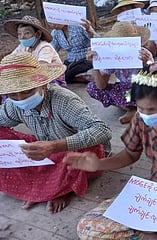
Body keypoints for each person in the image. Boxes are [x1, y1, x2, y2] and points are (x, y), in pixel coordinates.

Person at [63, 65, 157, 240]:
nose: (144, 114)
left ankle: (155, 230)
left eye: (151, 110)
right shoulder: (141, 118)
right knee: (88, 227)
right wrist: (99, 163)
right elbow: (130, 154)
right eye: (140, 108)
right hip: (155, 190)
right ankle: (155, 230)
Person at [0, 52, 111, 213]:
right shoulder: (13, 104)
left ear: (43, 84)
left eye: (27, 91)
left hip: (78, 153)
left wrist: (54, 146)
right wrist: (49, 148)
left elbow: (102, 130)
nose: (20, 98)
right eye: (13, 94)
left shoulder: (63, 100)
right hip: (48, 152)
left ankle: (59, 189)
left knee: (86, 149)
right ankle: (43, 188)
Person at [86, 21, 154, 124]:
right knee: (92, 87)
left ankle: (136, 109)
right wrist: (95, 65)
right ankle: (132, 109)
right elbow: (101, 86)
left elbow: (155, 78)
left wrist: (147, 64)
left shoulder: (144, 54)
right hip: (124, 91)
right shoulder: (111, 55)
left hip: (142, 90)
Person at [4, 15, 67, 87]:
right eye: (19, 34)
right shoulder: (22, 47)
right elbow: (11, 58)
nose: (22, 37)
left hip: (52, 77)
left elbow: (42, 66)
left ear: (38, 34)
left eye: (27, 33)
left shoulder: (45, 47)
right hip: (32, 74)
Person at [48, 19, 96, 83]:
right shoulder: (55, 33)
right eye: (50, 22)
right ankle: (79, 78)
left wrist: (89, 31)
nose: (53, 24)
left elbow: (97, 40)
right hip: (70, 61)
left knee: (68, 74)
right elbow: (52, 50)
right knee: (59, 73)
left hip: (87, 58)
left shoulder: (79, 26)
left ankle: (72, 78)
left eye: (55, 21)